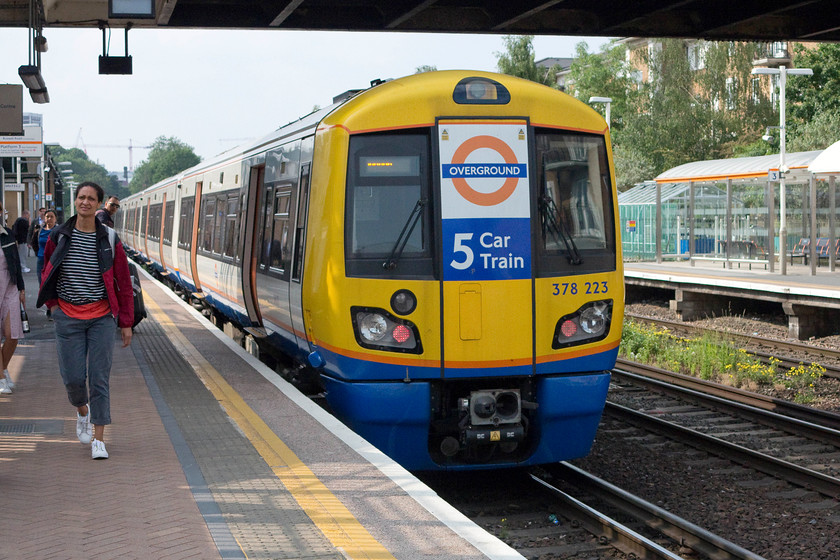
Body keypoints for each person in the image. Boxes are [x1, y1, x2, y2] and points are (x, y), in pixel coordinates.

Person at [37, 182, 134, 459]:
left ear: (99, 203)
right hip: (67, 317)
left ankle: (99, 439)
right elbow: (47, 272)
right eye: (81, 197)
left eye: (91, 198)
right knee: (73, 379)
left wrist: (125, 322)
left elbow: (124, 284)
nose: (85, 202)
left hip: (101, 317)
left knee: (99, 378)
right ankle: (82, 410)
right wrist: (53, 306)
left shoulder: (110, 239)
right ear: (75, 201)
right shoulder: (60, 235)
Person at [0, 203, 27, 395]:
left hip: (9, 285)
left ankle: (2, 369)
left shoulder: (6, 234)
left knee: (13, 334)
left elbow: (16, 262)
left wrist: (22, 287)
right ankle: (1, 377)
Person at [35, 209, 57, 287]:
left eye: (52, 217)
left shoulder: (58, 231)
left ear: (55, 219)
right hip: (41, 260)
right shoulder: (40, 230)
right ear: (44, 218)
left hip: (52, 261)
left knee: (51, 284)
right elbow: (34, 242)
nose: (49, 219)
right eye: (47, 217)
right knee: (41, 282)